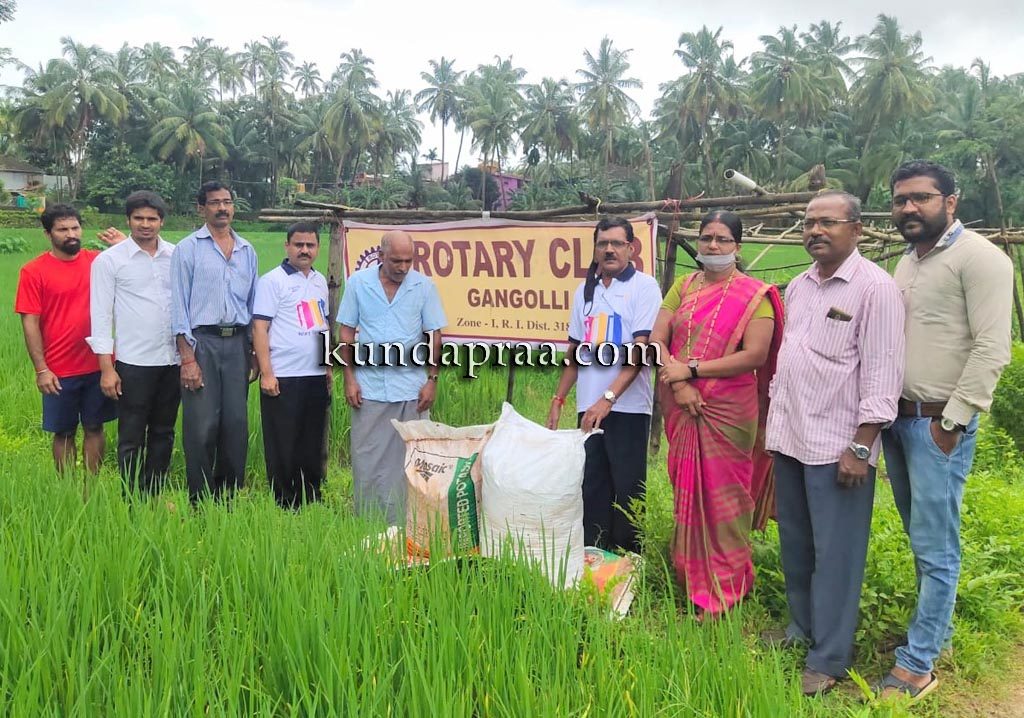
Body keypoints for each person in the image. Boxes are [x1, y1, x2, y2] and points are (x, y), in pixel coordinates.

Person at [876, 161, 1013, 701]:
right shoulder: (908, 263)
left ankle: (919, 662)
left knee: (936, 545)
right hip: (899, 420)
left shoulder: (980, 259)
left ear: (950, 202)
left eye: (922, 198)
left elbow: (991, 349)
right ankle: (937, 630)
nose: (909, 208)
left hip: (938, 424)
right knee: (920, 535)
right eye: (900, 199)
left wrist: (952, 422)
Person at [765, 191, 905, 695]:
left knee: (837, 555)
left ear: (857, 229)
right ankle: (801, 630)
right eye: (808, 223)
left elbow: (883, 373)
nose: (815, 231)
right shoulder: (800, 286)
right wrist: (774, 433)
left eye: (828, 222)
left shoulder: (875, 289)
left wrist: (862, 446)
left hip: (838, 448)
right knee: (797, 546)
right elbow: (789, 361)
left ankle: (828, 657)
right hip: (792, 439)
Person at [649, 210, 784, 618]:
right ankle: (692, 578)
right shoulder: (683, 286)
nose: (712, 245)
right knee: (687, 490)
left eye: (723, 239)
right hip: (682, 403)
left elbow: (755, 355)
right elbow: (657, 339)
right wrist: (679, 382)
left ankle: (726, 588)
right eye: (706, 237)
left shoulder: (754, 295)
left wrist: (692, 370)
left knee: (726, 498)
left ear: (737, 247)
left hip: (728, 410)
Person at [546, 216, 662, 553]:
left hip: (627, 407)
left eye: (616, 243)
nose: (608, 249)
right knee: (592, 487)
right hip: (588, 410)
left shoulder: (644, 287)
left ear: (631, 247)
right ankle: (594, 559)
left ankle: (628, 564)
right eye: (602, 244)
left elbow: (640, 351)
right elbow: (575, 351)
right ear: (595, 250)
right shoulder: (585, 292)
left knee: (626, 490)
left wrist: (608, 398)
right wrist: (559, 398)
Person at [336, 230, 446, 524]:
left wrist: (432, 380)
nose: (403, 267)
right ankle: (369, 523)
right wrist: (349, 378)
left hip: (411, 387)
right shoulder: (359, 284)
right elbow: (345, 333)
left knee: (411, 460)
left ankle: (410, 525)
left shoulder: (423, 286)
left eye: (408, 260)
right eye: (396, 260)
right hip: (369, 386)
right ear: (381, 255)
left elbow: (435, 335)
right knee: (368, 459)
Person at [171, 181, 258, 502]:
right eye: (214, 202)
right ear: (201, 209)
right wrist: (188, 359)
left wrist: (253, 352)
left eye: (227, 202)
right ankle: (200, 499)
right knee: (201, 425)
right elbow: (179, 306)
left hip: (237, 344)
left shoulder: (247, 250)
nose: (222, 208)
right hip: (202, 345)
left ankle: (229, 498)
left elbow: (252, 304)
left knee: (235, 423)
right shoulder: (188, 249)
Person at [88, 191, 179, 494]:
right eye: (138, 218)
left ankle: (154, 493)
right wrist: (106, 369)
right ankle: (131, 498)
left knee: (164, 432)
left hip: (173, 361)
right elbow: (100, 317)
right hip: (134, 363)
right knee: (131, 436)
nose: (145, 224)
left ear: (161, 222)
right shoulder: (109, 261)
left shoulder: (177, 256)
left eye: (151, 219)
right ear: (128, 220)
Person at [15, 204, 117, 473]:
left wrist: (124, 242)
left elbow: (139, 264)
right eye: (62, 229)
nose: (71, 234)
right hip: (59, 370)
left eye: (75, 227)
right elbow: (30, 322)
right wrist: (41, 370)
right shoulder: (33, 271)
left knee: (95, 426)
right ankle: (67, 489)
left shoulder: (98, 262)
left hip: (99, 364)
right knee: (64, 431)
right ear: (48, 234)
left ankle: (91, 487)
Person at [252, 222, 332, 508]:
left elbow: (321, 326)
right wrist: (267, 372)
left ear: (317, 248)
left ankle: (311, 495)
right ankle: (285, 501)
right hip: (283, 375)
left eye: (310, 245)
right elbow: (260, 328)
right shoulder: (272, 281)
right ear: (287, 246)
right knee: (283, 441)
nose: (304, 250)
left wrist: (328, 367)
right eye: (299, 244)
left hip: (314, 374)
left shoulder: (319, 281)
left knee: (312, 440)